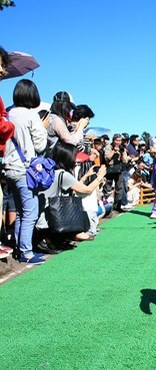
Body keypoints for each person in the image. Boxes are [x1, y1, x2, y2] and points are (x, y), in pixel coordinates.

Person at [4, 80, 48, 264]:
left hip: (8, 168)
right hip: (25, 170)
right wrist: (44, 129)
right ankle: (26, 251)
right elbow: (40, 145)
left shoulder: (7, 113)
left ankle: (19, 248)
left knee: (20, 212)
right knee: (29, 212)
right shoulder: (31, 115)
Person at [38, 142, 108, 243]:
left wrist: (86, 176)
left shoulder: (54, 171)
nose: (76, 161)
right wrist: (100, 176)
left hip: (46, 215)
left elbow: (74, 188)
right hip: (52, 220)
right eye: (74, 157)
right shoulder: (64, 175)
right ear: (67, 158)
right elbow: (86, 191)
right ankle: (67, 235)